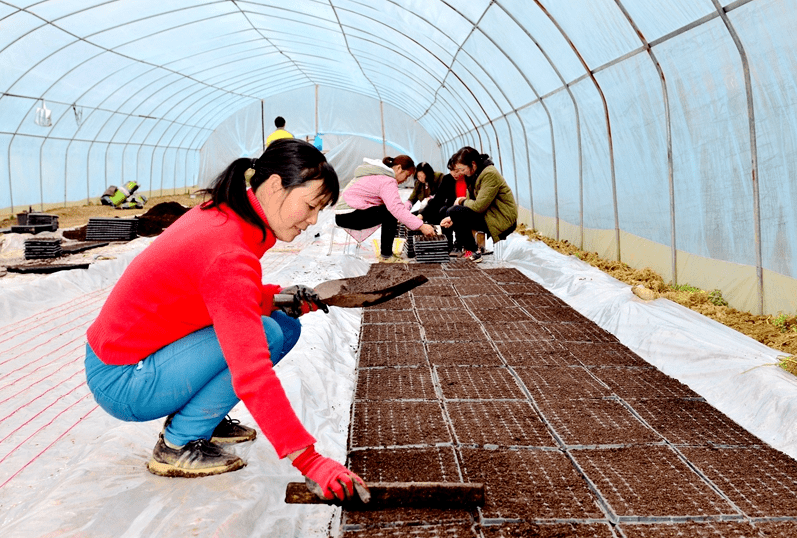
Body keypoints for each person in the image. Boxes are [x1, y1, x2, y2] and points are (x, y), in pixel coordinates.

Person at [84, 138, 366, 502]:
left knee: (285, 326)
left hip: (138, 358)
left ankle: (204, 419)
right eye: (311, 206)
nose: (313, 221)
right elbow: (250, 369)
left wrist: (280, 297)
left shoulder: (223, 212)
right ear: (276, 184)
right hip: (124, 380)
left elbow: (210, 297)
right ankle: (179, 444)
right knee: (264, 334)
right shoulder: (228, 251)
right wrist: (310, 461)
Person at [335, 155, 436, 262]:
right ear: (399, 168)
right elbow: (395, 208)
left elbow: (394, 205)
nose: (405, 180)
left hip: (344, 214)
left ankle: (386, 253)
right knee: (390, 213)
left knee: (389, 212)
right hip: (348, 215)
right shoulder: (387, 180)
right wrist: (420, 226)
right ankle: (386, 256)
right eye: (406, 176)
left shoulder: (379, 175)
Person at [440, 147, 518, 263]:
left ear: (473, 164)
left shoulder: (489, 174)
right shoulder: (473, 175)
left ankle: (473, 252)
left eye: (462, 169)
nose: (461, 173)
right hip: (488, 214)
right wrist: (452, 218)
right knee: (449, 211)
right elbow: (470, 201)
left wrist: (461, 201)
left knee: (455, 210)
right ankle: (460, 250)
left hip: (500, 217)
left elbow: (479, 206)